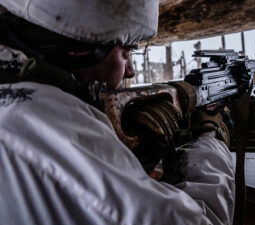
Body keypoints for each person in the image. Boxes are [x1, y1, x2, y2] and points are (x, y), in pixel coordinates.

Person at [0, 1, 235, 225]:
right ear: (81, 51)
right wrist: (211, 138)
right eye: (126, 51)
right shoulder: (43, 119)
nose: (130, 71)